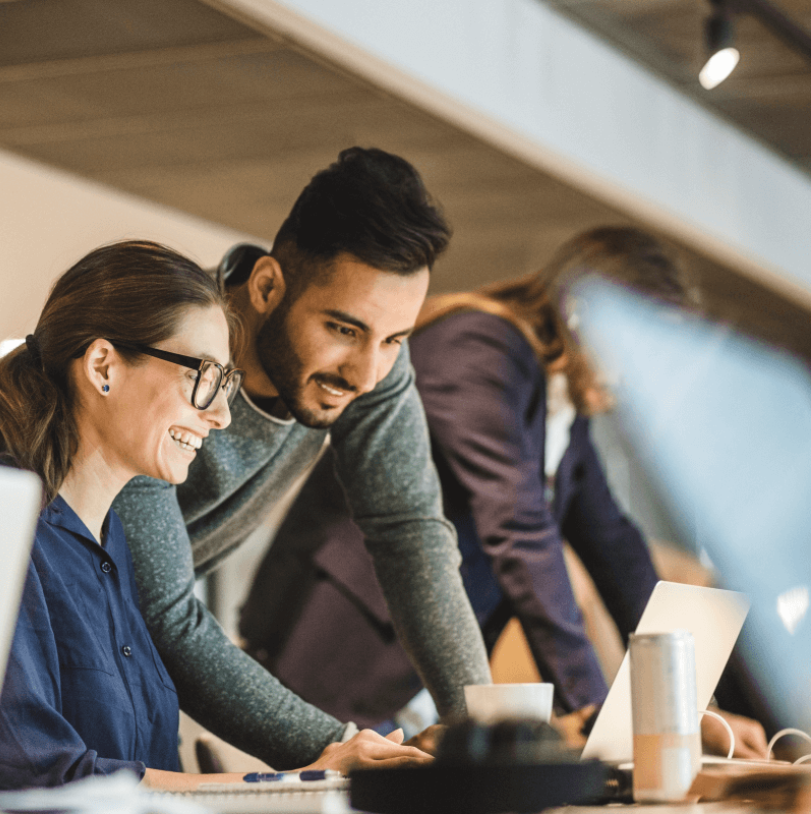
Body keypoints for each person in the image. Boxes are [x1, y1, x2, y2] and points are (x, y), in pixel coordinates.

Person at [240, 226, 769, 758]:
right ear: (582, 315)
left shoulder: (560, 401)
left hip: (425, 659)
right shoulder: (480, 349)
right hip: (347, 631)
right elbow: (520, 530)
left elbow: (615, 545)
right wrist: (594, 712)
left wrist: (692, 704)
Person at [0, 240, 431, 790]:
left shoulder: (112, 544)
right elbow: (37, 772)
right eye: (203, 377)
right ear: (104, 366)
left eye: (226, 383)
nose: (222, 415)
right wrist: (293, 784)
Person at [111, 147, 492, 771]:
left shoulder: (368, 366)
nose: (367, 374)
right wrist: (336, 748)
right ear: (266, 286)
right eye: (343, 329)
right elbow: (162, 611)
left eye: (394, 340)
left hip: (127, 655)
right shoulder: (169, 349)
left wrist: (484, 729)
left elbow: (410, 532)